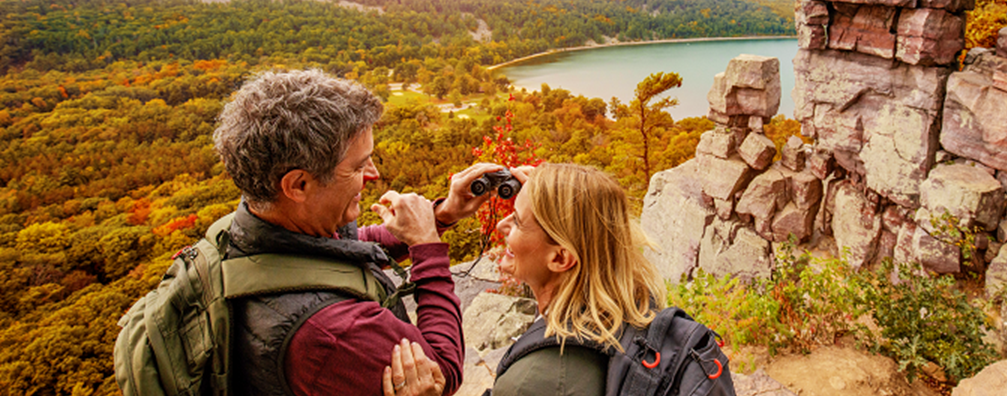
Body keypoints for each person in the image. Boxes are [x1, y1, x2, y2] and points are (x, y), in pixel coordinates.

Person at [211, 68, 498, 396]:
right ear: (298, 184)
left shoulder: (256, 229)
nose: (373, 174)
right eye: (359, 166)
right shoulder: (330, 334)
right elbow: (442, 371)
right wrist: (426, 245)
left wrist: (441, 215)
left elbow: (342, 249)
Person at [487, 163, 667, 396]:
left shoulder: (530, 383)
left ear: (561, 258)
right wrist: (548, 189)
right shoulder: (634, 309)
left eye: (518, 221)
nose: (502, 225)